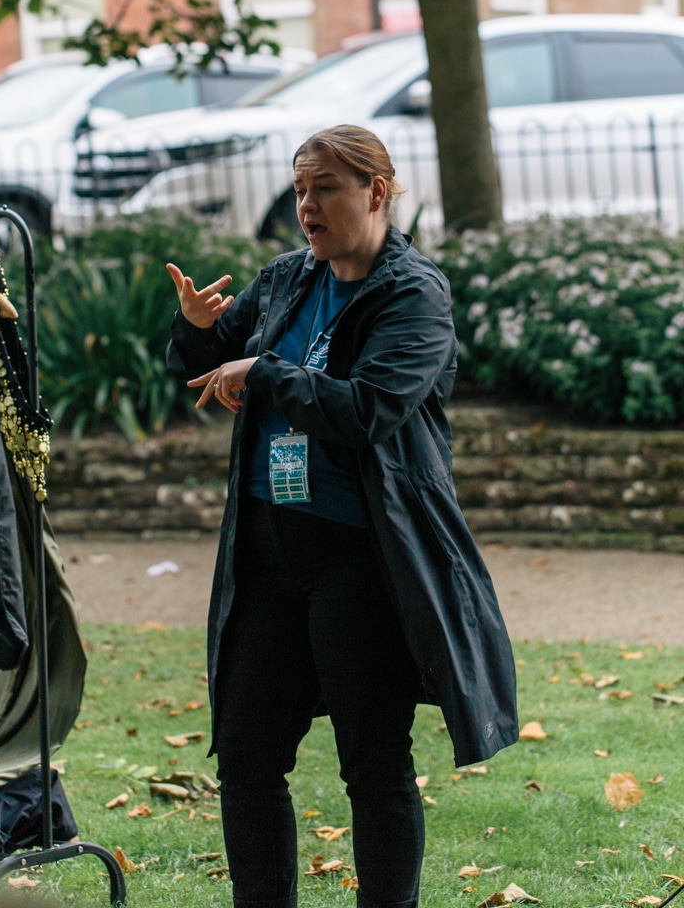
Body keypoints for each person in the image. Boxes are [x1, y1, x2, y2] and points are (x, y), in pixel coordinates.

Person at [166, 124, 518, 908]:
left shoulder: (413, 296)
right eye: (299, 190)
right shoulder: (288, 278)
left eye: (324, 188)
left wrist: (264, 371)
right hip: (268, 551)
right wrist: (196, 334)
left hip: (360, 554)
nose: (306, 207)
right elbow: (208, 364)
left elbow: (368, 410)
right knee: (247, 757)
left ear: (376, 192)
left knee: (373, 760)